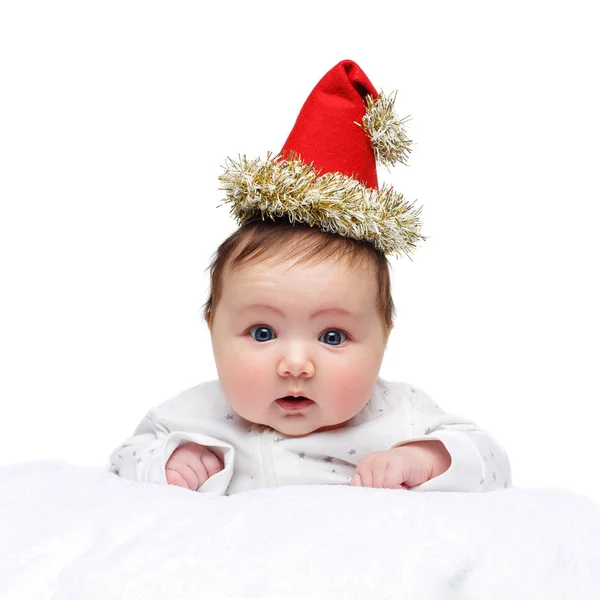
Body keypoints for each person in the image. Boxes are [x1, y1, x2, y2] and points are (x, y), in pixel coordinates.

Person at [108, 60, 511, 495]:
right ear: (213, 328)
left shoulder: (399, 415)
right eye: (262, 332)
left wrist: (427, 458)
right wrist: (171, 460)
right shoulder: (194, 416)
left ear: (383, 337)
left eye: (333, 336)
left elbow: (493, 463)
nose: (296, 365)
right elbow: (123, 459)